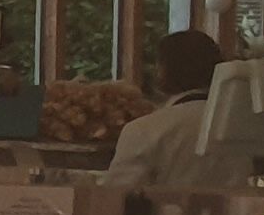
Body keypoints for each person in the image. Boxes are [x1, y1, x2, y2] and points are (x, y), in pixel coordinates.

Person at [99, 28, 244, 188]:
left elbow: (116, 196)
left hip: (165, 206)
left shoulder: (143, 130)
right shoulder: (242, 126)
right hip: (240, 205)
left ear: (164, 70)